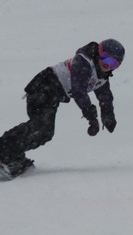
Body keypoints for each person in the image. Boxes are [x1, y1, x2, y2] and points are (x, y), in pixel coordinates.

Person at [0, 39, 125, 177]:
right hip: (44, 86)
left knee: (44, 132)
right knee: (42, 129)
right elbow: (78, 90)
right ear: (99, 53)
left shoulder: (102, 75)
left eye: (114, 63)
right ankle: (4, 152)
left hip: (52, 94)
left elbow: (105, 96)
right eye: (105, 58)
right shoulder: (84, 62)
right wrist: (91, 116)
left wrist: (108, 116)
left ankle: (12, 154)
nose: (107, 64)